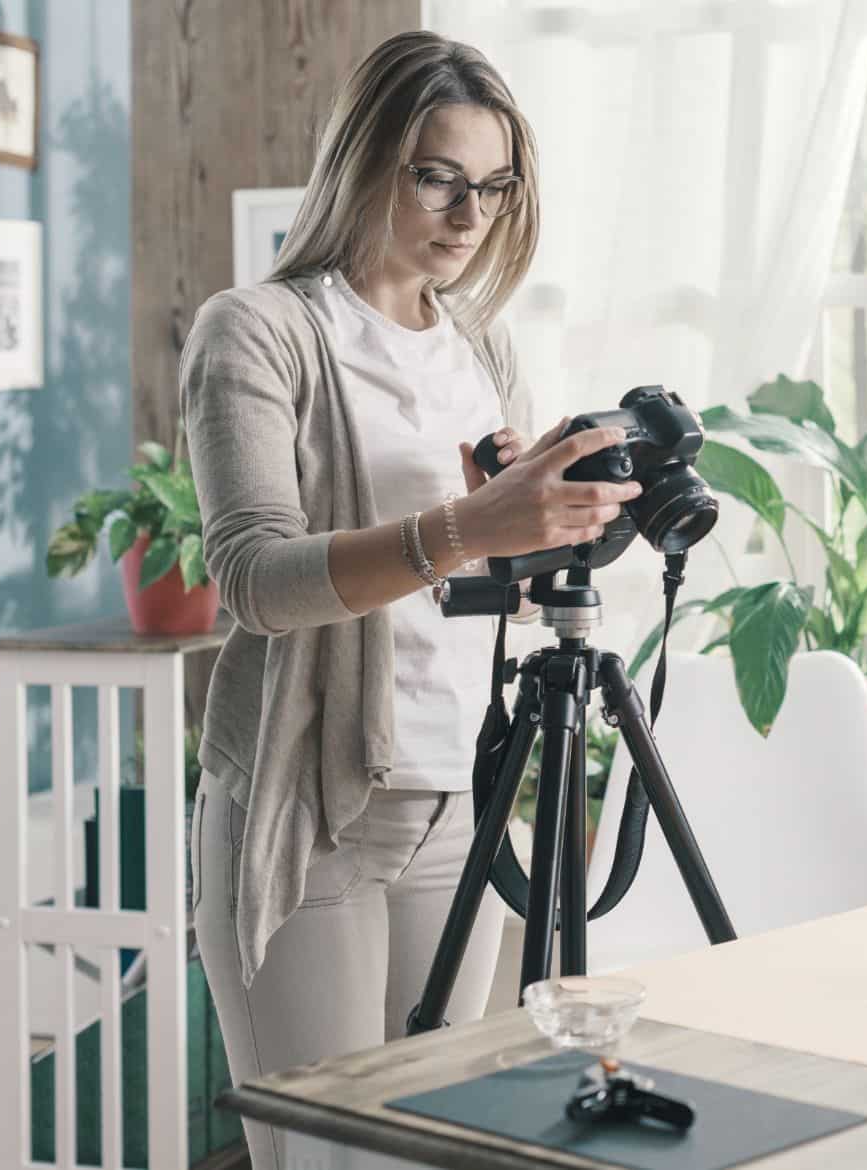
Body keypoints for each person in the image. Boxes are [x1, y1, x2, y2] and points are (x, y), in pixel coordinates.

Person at [179, 30, 640, 1170]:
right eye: (438, 175)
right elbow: (254, 577)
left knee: (449, 1148)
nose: (468, 212)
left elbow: (483, 600)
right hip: (316, 807)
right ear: (365, 160)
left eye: (493, 186)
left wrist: (538, 540)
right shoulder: (261, 329)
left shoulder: (481, 347)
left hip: (465, 799)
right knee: (325, 1155)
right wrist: (465, 530)